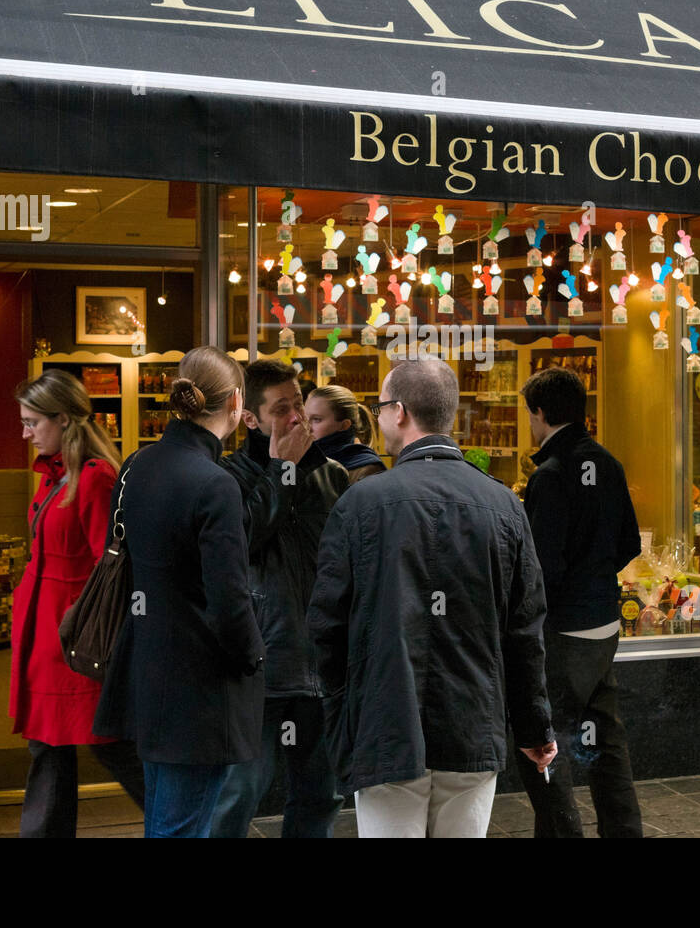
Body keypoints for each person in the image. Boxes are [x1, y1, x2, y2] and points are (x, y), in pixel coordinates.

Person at [308, 359, 557, 838]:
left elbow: (325, 625)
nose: (378, 420)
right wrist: (534, 727)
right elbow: (524, 631)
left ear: (399, 412)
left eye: (380, 408)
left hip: (385, 725)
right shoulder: (503, 504)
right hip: (471, 724)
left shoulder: (361, 502)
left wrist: (344, 719)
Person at [93, 347, 265, 838]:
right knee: (182, 826)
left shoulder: (134, 467)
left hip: (143, 667)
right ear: (235, 403)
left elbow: (120, 562)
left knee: (165, 818)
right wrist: (254, 655)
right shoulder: (216, 483)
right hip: (200, 686)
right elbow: (229, 597)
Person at [209, 360, 349, 838]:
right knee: (239, 789)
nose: (297, 419)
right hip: (261, 661)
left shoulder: (331, 475)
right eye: (282, 409)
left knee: (321, 793)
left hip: (322, 660)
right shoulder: (227, 477)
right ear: (249, 417)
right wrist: (283, 469)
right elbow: (244, 539)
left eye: (300, 406)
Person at [11, 369, 145, 838]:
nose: (25, 433)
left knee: (109, 742)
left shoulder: (94, 478)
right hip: (50, 638)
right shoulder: (58, 475)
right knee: (51, 744)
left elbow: (107, 568)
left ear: (63, 419)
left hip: (74, 639)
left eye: (32, 423)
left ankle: (185, 819)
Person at [515, 365, 644, 838]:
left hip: (565, 631)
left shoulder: (549, 475)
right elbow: (629, 542)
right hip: (604, 623)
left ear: (542, 412)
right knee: (606, 738)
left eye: (531, 413)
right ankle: (624, 830)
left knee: (548, 745)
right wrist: (595, 577)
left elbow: (540, 570)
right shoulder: (607, 462)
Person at [305, 384, 387, 484]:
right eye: (305, 418)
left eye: (316, 419)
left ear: (344, 425)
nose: (306, 426)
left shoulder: (367, 470)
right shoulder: (303, 460)